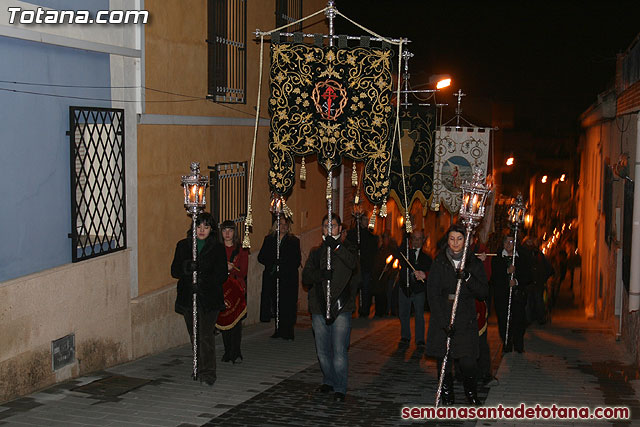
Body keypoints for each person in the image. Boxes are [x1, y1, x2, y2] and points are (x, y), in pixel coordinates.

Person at [426, 224, 488, 406]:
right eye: (452, 239)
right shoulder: (440, 262)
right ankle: (447, 393)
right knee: (444, 357)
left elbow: (483, 291)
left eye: (459, 239)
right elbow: (433, 293)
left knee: (468, 360)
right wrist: (442, 320)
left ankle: (470, 392)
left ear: (465, 240)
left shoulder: (472, 262)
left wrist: (468, 277)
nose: (455, 243)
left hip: (465, 316)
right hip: (444, 314)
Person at [302, 213, 359, 403]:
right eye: (326, 225)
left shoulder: (347, 249)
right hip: (319, 306)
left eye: (333, 226)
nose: (329, 229)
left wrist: (336, 247)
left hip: (341, 307)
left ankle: (340, 387)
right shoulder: (316, 252)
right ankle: (328, 380)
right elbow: (306, 277)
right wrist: (320, 275)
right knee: (322, 351)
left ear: (339, 230)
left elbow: (352, 264)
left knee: (339, 350)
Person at [171, 212, 228, 385]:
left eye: (206, 227)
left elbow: (221, 274)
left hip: (209, 299)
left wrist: (203, 281)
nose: (202, 230)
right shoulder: (183, 245)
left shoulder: (217, 248)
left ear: (211, 229)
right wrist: (187, 268)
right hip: (189, 297)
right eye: (199, 226)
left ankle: (208, 372)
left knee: (205, 335)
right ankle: (198, 366)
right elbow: (174, 271)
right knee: (194, 335)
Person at [258, 216, 301, 340]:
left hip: (287, 278)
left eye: (285, 224)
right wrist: (272, 262)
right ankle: (278, 329)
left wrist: (283, 263)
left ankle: (288, 330)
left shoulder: (293, 241)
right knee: (276, 304)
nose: (283, 226)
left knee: (287, 304)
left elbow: (296, 260)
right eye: (280, 224)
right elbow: (261, 257)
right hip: (273, 277)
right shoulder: (269, 239)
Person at [491, 232, 532, 353]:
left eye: (511, 242)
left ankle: (518, 344)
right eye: (506, 242)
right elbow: (494, 277)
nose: (509, 245)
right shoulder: (498, 258)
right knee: (504, 320)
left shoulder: (522, 257)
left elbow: (528, 276)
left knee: (519, 320)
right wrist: (506, 274)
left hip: (517, 296)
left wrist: (517, 281)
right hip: (502, 296)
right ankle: (506, 343)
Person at [218, 220, 248, 364]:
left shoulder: (241, 249)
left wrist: (232, 268)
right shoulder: (217, 249)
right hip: (223, 289)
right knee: (224, 320)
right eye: (225, 230)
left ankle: (236, 352)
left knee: (236, 322)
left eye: (230, 230)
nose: (227, 233)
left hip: (237, 289)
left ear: (234, 232)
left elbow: (244, 271)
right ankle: (227, 351)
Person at [397, 230, 432, 347]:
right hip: (405, 288)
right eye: (414, 238)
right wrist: (405, 236)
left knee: (419, 315)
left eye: (419, 238)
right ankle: (405, 337)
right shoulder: (406, 253)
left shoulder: (427, 257)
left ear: (423, 240)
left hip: (418, 290)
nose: (416, 241)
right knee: (404, 314)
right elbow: (399, 253)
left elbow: (429, 272)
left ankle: (420, 339)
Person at [346, 213, 379, 318]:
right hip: (356, 266)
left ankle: (364, 310)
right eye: (364, 219)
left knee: (365, 288)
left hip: (366, 266)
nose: (366, 221)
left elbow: (373, 251)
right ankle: (351, 309)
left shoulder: (370, 236)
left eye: (367, 219)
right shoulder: (353, 233)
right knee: (353, 288)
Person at [523, 236, 553, 325]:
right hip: (531, 282)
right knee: (532, 301)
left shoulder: (537, 254)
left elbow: (547, 268)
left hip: (535, 282)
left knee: (536, 300)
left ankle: (535, 318)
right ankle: (534, 318)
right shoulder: (532, 253)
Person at [370, 230, 397, 317]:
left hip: (389, 275)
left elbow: (394, 260)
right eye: (383, 238)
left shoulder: (391, 248)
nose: (385, 240)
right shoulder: (379, 249)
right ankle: (381, 311)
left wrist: (389, 269)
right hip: (380, 275)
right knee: (380, 292)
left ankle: (388, 309)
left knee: (388, 292)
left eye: (386, 237)